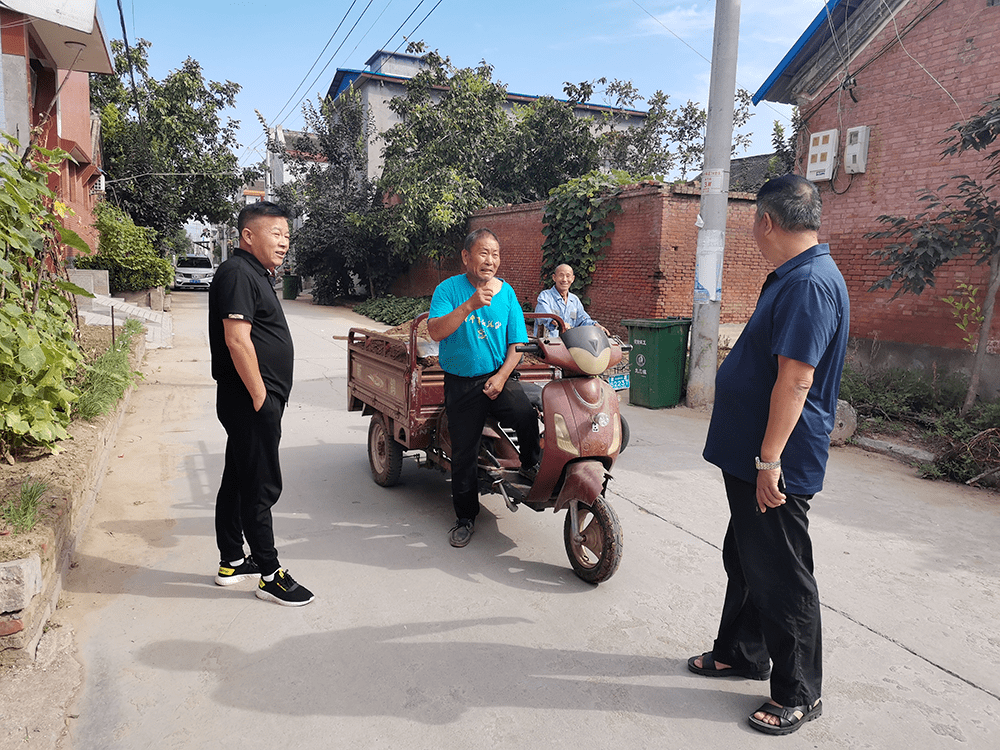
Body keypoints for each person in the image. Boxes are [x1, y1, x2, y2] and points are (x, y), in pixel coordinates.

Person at [690, 174, 849, 735]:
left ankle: (799, 692)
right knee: (747, 559)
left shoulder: (809, 284)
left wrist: (768, 462)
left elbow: (797, 381)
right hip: (755, 458)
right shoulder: (792, 277)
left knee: (782, 575)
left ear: (766, 221)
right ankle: (742, 652)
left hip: (774, 464)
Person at [208, 200, 314, 606]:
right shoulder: (237, 272)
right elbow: (237, 339)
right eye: (276, 233)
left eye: (287, 235)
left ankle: (232, 560)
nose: (284, 242)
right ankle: (270, 574)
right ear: (248, 236)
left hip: (251, 400)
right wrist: (261, 398)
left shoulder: (253, 273)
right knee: (260, 485)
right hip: (251, 400)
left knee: (237, 478)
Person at [427, 228, 541, 548]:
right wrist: (470, 305)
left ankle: (531, 463)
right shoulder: (448, 290)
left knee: (525, 412)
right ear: (466, 257)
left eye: (495, 254)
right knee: (464, 452)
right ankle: (465, 517)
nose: (490, 260)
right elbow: (435, 331)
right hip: (462, 384)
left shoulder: (507, 294)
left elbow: (517, 344)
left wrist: (503, 376)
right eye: (483, 253)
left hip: (497, 377)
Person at [533, 264, 609, 337]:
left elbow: (583, 320)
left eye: (568, 276)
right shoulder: (545, 296)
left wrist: (596, 325)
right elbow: (544, 316)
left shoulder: (574, 300)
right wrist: (559, 323)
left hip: (569, 345)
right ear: (554, 277)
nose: (564, 279)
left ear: (572, 279)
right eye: (561, 275)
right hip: (548, 345)